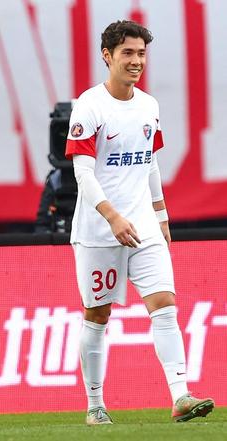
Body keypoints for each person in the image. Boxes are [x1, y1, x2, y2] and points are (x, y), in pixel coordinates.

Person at [65, 20, 214, 425]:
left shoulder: (149, 105)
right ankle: (95, 404)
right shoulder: (90, 106)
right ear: (107, 56)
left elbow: (149, 162)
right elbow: (83, 173)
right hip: (99, 230)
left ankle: (181, 396)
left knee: (164, 305)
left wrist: (160, 216)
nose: (136, 61)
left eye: (141, 54)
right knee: (97, 316)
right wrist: (112, 216)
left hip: (143, 226)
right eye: (127, 53)